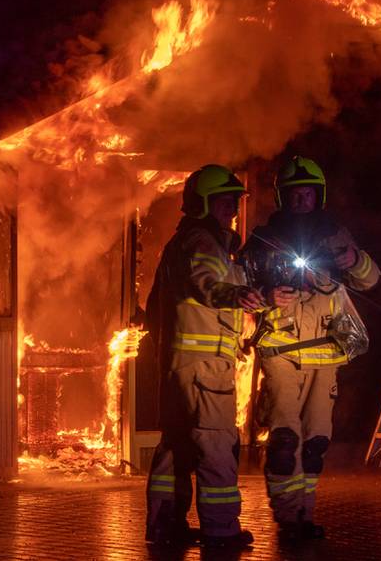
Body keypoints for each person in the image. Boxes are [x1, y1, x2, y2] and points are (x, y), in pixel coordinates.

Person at [242, 156, 380, 543]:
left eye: (307, 193)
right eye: (294, 193)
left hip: (326, 353)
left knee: (316, 443)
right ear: (282, 197)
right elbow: (242, 288)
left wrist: (352, 259)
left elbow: (370, 279)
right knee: (285, 442)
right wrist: (268, 294)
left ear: (317, 195)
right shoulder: (263, 239)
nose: (301, 199)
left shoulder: (335, 234)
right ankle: (287, 517)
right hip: (282, 351)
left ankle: (305, 515)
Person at [144, 164, 261, 550]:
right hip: (206, 365)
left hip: (178, 366)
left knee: (174, 446)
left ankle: (165, 525)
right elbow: (208, 285)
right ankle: (221, 529)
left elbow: (154, 306)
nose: (232, 207)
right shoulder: (204, 243)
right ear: (202, 204)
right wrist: (236, 295)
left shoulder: (179, 244)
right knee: (215, 444)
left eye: (235, 200)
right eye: (224, 200)